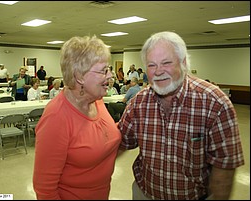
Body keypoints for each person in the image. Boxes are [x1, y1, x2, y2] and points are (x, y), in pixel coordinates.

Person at [118, 31, 245, 200]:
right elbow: (119, 142)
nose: (158, 71)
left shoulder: (214, 103)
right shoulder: (139, 103)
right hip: (145, 193)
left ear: (183, 63)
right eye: (152, 65)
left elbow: (224, 168)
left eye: (166, 63)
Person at [33, 35, 121, 200]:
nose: (110, 76)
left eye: (108, 69)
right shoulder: (56, 117)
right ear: (80, 76)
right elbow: (45, 190)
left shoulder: (97, 100)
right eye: (104, 71)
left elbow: (102, 139)